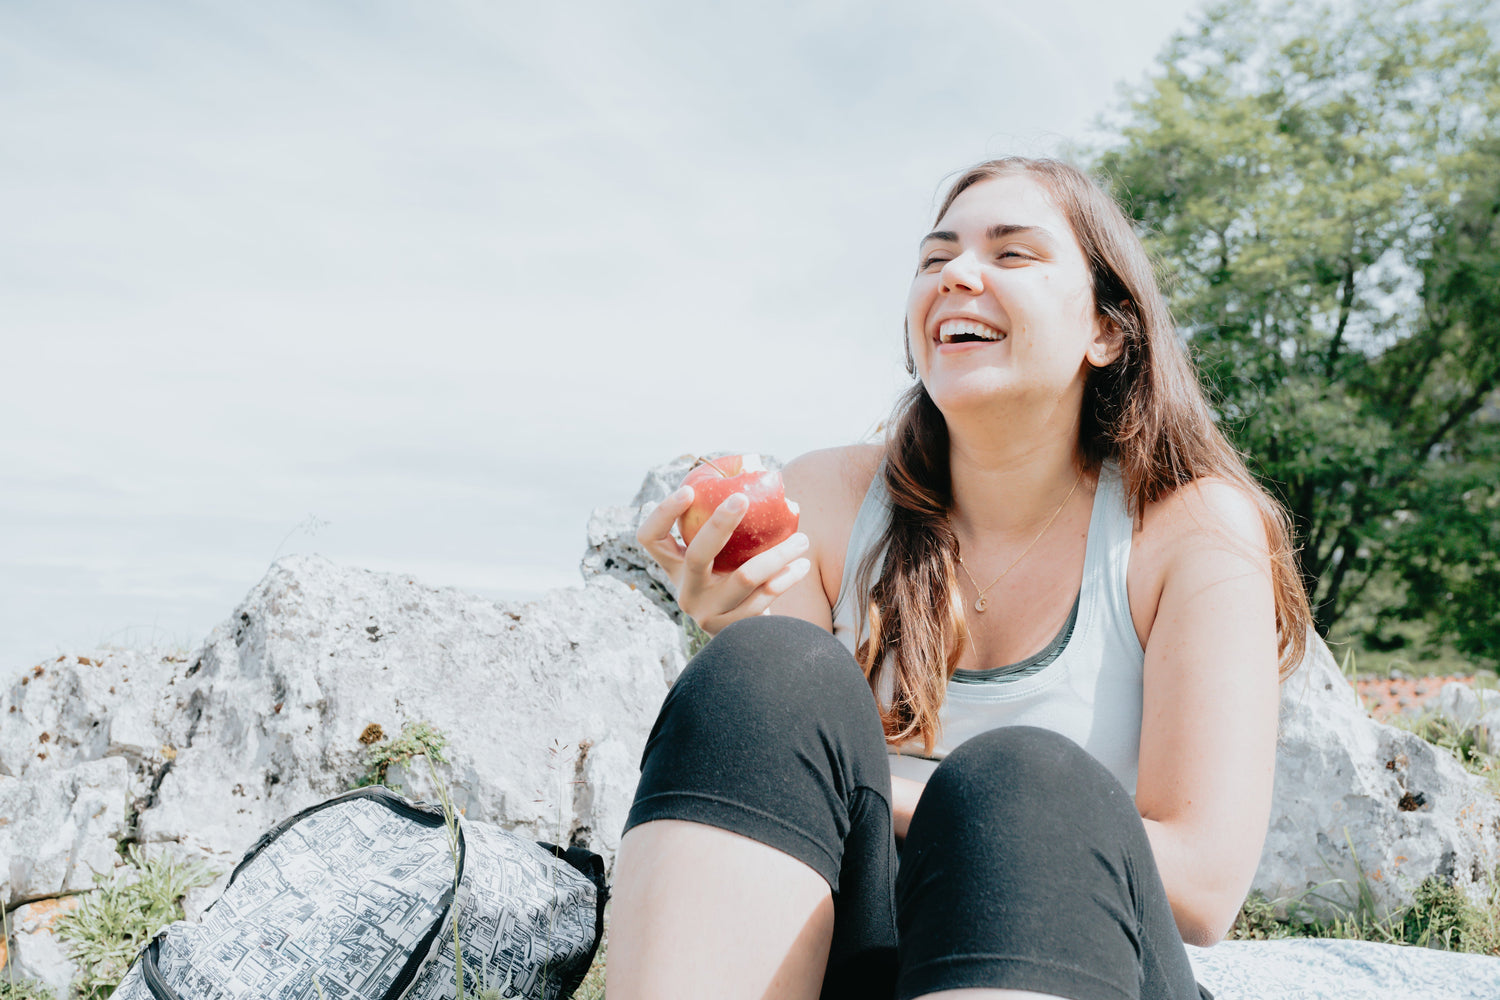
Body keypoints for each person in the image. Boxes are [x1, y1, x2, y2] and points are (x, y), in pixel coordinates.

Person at [605, 157, 1313, 1000]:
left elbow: (1202, 886)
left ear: (1107, 331)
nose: (958, 276)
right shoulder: (828, 499)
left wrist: (947, 805)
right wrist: (735, 631)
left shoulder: (1192, 530)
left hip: (1070, 955)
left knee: (1026, 785)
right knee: (763, 673)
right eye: (935, 259)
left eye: (1013, 256)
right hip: (850, 963)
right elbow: (783, 770)